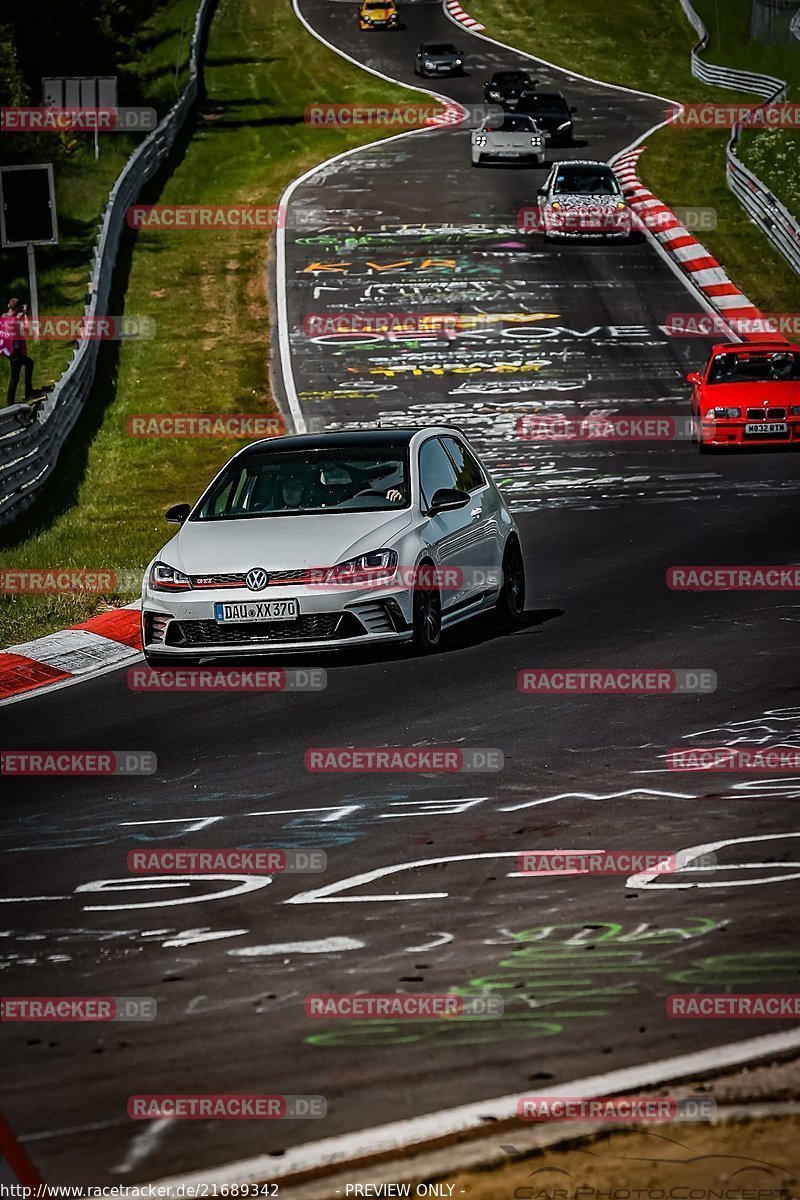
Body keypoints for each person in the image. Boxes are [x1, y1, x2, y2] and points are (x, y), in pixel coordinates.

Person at [1, 298, 39, 407]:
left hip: (8, 349)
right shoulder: (15, 320)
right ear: (17, 308)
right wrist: (25, 314)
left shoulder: (4, 317)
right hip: (14, 351)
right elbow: (27, 327)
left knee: (28, 364)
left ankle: (28, 391)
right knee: (15, 377)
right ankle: (11, 402)